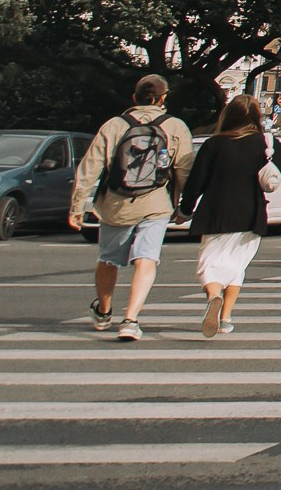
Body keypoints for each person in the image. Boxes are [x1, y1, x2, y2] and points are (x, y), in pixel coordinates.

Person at [68, 74, 195, 343]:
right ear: (163, 99)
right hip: (156, 203)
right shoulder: (175, 126)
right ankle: (131, 320)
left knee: (108, 259)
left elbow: (91, 167)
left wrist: (78, 206)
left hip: (115, 203)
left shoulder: (114, 125)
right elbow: (184, 170)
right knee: (146, 260)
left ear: (134, 97)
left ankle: (103, 312)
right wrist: (185, 206)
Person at [178, 95, 271, 337]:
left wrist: (185, 210)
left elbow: (196, 183)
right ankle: (226, 317)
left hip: (216, 210)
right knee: (237, 265)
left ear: (227, 115)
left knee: (208, 263)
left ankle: (213, 295)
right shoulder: (266, 143)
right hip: (251, 211)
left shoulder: (214, 144)